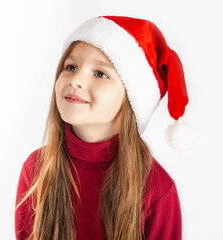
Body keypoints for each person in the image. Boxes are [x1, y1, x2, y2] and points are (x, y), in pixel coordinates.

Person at [15, 15, 192, 240]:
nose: (75, 79)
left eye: (100, 73)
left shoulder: (156, 189)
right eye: (71, 66)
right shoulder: (37, 170)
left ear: (131, 99)